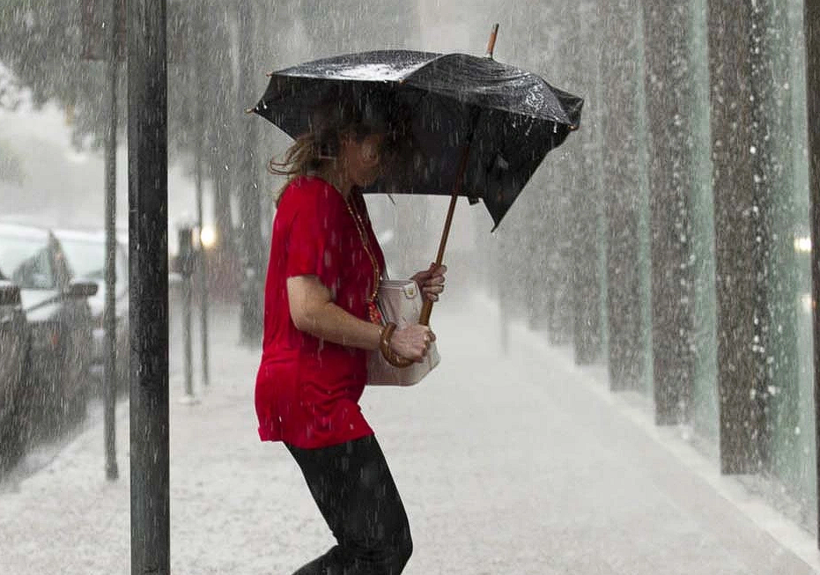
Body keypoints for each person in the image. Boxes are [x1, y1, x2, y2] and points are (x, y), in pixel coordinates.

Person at [255, 99, 447, 575]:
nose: (380, 161)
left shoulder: (348, 201)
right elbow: (307, 309)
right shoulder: (312, 200)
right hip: (308, 394)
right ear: (344, 140)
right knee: (381, 545)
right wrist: (388, 337)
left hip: (327, 392)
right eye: (374, 148)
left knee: (374, 544)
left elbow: (349, 288)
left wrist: (410, 290)